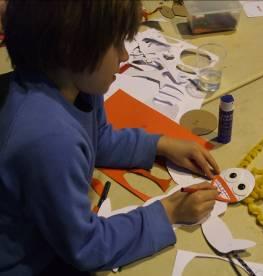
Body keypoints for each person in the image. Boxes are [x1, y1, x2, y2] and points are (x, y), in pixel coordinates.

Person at [0, 1, 220, 275]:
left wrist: (159, 144)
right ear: (72, 48)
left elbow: (98, 139)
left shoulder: (73, 81)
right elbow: (86, 247)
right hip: (28, 262)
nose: (125, 56)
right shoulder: (49, 141)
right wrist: (167, 214)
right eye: (117, 44)